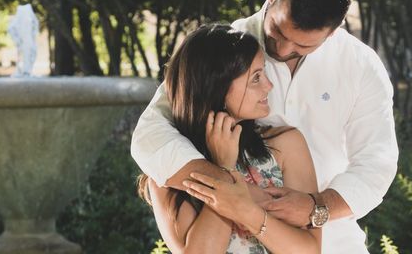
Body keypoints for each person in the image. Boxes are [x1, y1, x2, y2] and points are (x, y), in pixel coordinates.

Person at [132, 0, 399, 253]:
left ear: (333, 32)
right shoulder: (227, 50)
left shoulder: (360, 67)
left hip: (332, 238)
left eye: (302, 47)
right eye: (278, 33)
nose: (282, 51)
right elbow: (152, 134)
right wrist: (235, 188)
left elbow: (376, 165)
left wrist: (315, 208)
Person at [138, 24, 321, 253]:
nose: (269, 85)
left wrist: (246, 210)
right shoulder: (170, 171)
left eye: (263, 72)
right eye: (255, 78)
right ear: (218, 89)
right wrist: (223, 169)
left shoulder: (286, 145)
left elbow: (310, 250)